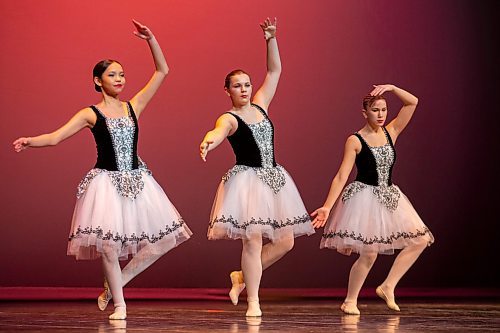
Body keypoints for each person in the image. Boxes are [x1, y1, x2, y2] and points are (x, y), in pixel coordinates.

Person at [13, 20, 192, 320]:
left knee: (163, 240)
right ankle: (120, 305)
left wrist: (151, 40)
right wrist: (32, 141)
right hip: (106, 185)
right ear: (98, 81)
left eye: (122, 74)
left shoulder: (133, 106)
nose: (120, 79)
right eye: (112, 74)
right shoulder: (90, 113)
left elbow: (163, 72)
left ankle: (115, 285)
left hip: (139, 182)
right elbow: (57, 137)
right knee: (109, 248)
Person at [199, 17, 314, 317]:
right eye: (237, 86)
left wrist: (270, 39)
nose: (245, 89)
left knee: (286, 241)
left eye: (247, 84)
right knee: (252, 241)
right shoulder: (229, 117)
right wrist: (209, 142)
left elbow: (275, 71)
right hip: (247, 183)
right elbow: (218, 131)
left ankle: (241, 277)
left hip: (274, 180)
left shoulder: (261, 104)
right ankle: (254, 301)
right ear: (227, 91)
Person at [311, 84, 434, 315]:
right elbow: (341, 176)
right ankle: (350, 300)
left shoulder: (392, 131)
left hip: (389, 196)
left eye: (384, 110)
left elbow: (413, 102)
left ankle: (388, 286)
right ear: (365, 113)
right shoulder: (355, 140)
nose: (380, 115)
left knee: (420, 240)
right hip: (365, 197)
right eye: (375, 110)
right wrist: (327, 207)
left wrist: (392, 88)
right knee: (369, 253)